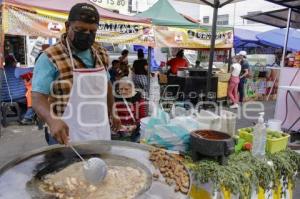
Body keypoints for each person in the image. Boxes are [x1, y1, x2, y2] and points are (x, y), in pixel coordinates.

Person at [32, 3, 121, 145]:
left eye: (92, 31)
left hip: (100, 132)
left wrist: (113, 110)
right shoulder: (50, 57)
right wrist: (52, 119)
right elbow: (37, 98)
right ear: (68, 26)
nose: (86, 35)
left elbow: (107, 85)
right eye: (80, 29)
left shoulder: (101, 53)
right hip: (66, 135)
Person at [112, 77, 147, 142]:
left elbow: (143, 118)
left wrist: (135, 126)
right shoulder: (116, 99)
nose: (123, 91)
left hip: (135, 131)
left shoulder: (139, 100)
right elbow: (113, 115)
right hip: (120, 132)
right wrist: (118, 125)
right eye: (121, 89)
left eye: (126, 89)